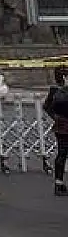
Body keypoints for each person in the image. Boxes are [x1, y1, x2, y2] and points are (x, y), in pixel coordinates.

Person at [44, 65, 68, 196]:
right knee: (62, 154)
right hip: (64, 126)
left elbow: (46, 106)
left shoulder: (54, 90)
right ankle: (59, 184)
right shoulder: (61, 91)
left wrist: (55, 117)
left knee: (61, 154)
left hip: (60, 126)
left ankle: (59, 183)